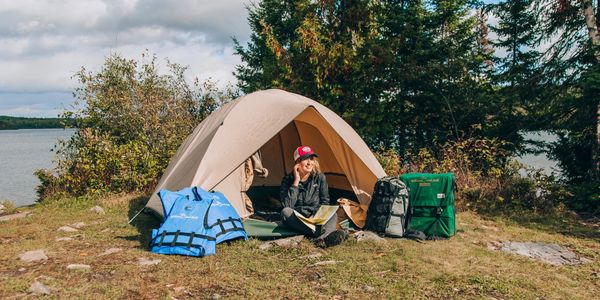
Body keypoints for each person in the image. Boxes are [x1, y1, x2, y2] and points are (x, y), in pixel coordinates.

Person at [279, 145, 348, 247]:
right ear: (297, 162)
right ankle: (322, 236)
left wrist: (316, 215)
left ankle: (323, 239)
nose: (309, 163)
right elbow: (287, 205)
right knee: (285, 212)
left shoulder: (320, 178)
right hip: (299, 219)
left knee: (333, 214)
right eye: (305, 159)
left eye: (311, 159)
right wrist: (296, 181)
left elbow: (325, 201)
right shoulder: (288, 180)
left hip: (315, 216)